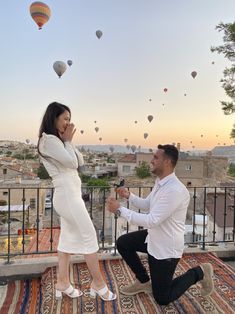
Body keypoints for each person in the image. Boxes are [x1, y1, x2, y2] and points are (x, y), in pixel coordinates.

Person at [106, 144, 214, 305]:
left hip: (166, 249)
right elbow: (148, 204)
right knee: (123, 243)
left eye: (156, 157)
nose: (152, 160)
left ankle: (199, 272)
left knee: (162, 298)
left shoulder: (175, 190)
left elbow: (151, 220)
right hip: (154, 238)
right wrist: (128, 196)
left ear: (167, 162)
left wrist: (119, 210)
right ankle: (143, 281)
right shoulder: (160, 183)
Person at [38, 102, 116, 301]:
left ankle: (62, 282)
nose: (68, 123)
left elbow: (80, 162)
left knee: (66, 240)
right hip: (67, 196)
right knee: (90, 237)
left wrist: (68, 142)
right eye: (65, 119)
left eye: (69, 120)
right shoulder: (49, 141)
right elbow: (73, 163)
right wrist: (67, 141)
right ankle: (98, 283)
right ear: (53, 118)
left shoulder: (58, 141)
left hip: (70, 196)